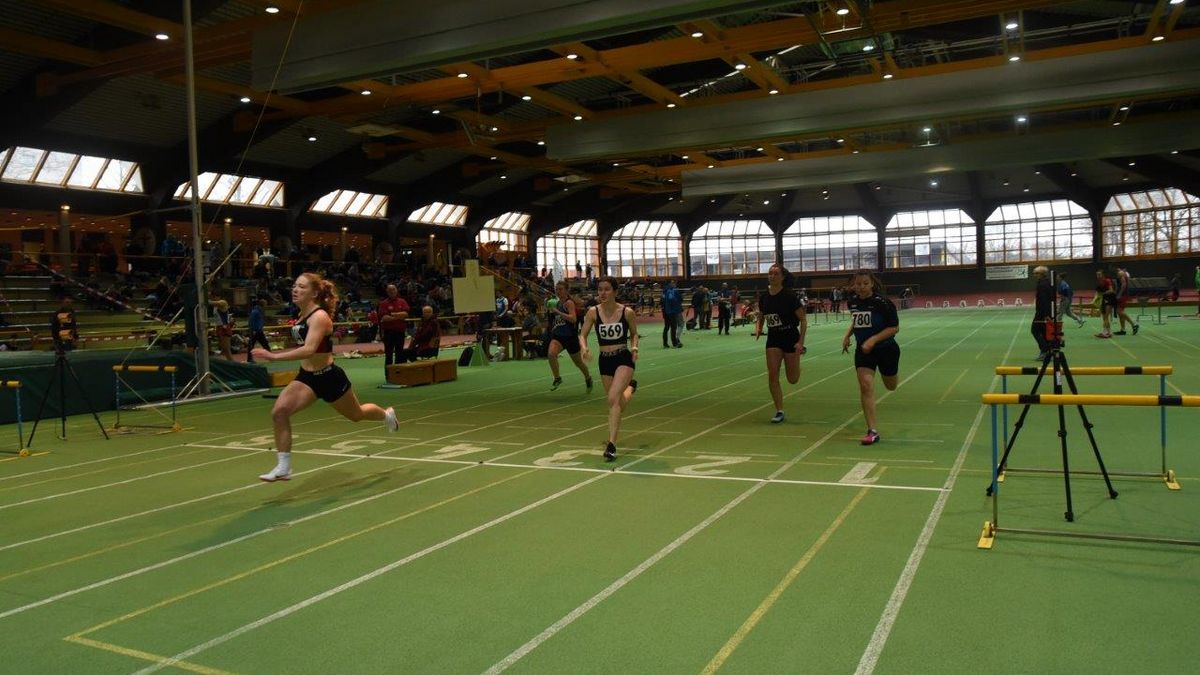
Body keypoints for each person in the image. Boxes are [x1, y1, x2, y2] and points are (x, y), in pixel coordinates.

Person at [251, 273, 398, 482]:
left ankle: (386, 415)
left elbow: (309, 349)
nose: (295, 289)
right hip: (306, 378)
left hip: (329, 377)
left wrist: (273, 356)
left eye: (302, 287)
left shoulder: (319, 317)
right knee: (279, 412)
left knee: (356, 415)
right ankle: (284, 466)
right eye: (295, 285)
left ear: (314, 293)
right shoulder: (301, 315)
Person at [579, 277, 639, 461]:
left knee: (612, 398)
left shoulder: (627, 312)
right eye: (600, 289)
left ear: (615, 291)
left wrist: (634, 348)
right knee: (616, 402)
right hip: (604, 360)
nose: (602, 293)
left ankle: (612, 444)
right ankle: (630, 389)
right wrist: (584, 348)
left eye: (607, 289)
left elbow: (634, 333)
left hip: (623, 358)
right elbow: (582, 334)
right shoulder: (593, 312)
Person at [841, 270, 900, 445]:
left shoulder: (883, 303)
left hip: (886, 349)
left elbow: (894, 328)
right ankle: (872, 431)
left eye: (865, 283)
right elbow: (857, 321)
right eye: (858, 284)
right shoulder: (852, 302)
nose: (861, 287)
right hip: (864, 351)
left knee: (891, 386)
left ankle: (891, 374)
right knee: (865, 386)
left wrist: (873, 340)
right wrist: (847, 335)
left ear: (872, 284)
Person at [755, 264, 807, 424]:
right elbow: (762, 315)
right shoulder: (764, 297)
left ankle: (797, 357)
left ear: (783, 277)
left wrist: (800, 342)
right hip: (773, 338)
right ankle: (779, 410)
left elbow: (803, 320)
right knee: (772, 374)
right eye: (770, 273)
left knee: (793, 379)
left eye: (776, 273)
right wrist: (759, 328)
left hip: (790, 337)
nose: (772, 276)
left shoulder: (790, 296)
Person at [546, 280, 593, 391]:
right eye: (557, 289)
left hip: (570, 338)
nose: (558, 291)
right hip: (558, 336)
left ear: (566, 290)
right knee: (551, 354)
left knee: (578, 363)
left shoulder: (569, 303)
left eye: (561, 289)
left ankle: (588, 377)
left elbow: (573, 319)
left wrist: (558, 312)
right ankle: (557, 378)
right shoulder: (557, 303)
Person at [378, 284, 410, 367]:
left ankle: (398, 373)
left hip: (400, 332)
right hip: (388, 333)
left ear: (396, 290)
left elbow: (406, 314)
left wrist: (393, 315)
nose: (392, 291)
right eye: (390, 290)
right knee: (389, 354)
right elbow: (384, 318)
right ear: (387, 292)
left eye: (393, 289)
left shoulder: (402, 301)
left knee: (399, 353)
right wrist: (399, 317)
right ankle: (388, 373)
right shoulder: (383, 303)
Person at [1031, 266, 1054, 361]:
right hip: (1045, 312)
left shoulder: (1042, 285)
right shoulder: (1047, 282)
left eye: (1036, 273)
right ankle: (1047, 352)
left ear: (1041, 274)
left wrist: (1046, 315)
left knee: (1035, 330)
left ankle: (1045, 350)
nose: (1034, 275)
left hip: (1042, 313)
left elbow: (1044, 301)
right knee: (1044, 332)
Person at [1112, 266, 1138, 335]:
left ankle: (1134, 324)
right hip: (1122, 294)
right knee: (1120, 313)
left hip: (1122, 295)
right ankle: (1123, 330)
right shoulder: (1122, 273)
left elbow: (1124, 284)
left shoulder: (1120, 273)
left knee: (1119, 311)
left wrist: (1119, 294)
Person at [245, 299, 270, 363]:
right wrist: (253, 330)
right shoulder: (256, 311)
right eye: (265, 304)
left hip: (258, 331)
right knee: (252, 345)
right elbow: (251, 321)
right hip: (255, 331)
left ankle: (270, 356)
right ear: (263, 304)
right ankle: (249, 359)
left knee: (264, 343)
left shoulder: (259, 310)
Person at [1094, 269, 1117, 339]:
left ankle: (1105, 332)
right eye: (1097, 274)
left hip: (1110, 299)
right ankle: (1109, 332)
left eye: (1099, 274)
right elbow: (1097, 292)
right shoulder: (1099, 282)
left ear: (1103, 275)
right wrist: (1095, 299)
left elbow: (1111, 290)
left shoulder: (1107, 281)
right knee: (1104, 316)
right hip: (1104, 300)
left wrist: (1103, 293)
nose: (1098, 276)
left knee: (1106, 316)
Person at [661, 279, 683, 348]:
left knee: (666, 327)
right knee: (673, 327)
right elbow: (674, 300)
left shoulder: (664, 291)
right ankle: (675, 343)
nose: (674, 284)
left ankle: (665, 344)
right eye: (673, 283)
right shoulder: (671, 291)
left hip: (665, 311)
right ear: (669, 284)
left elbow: (662, 301)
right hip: (672, 311)